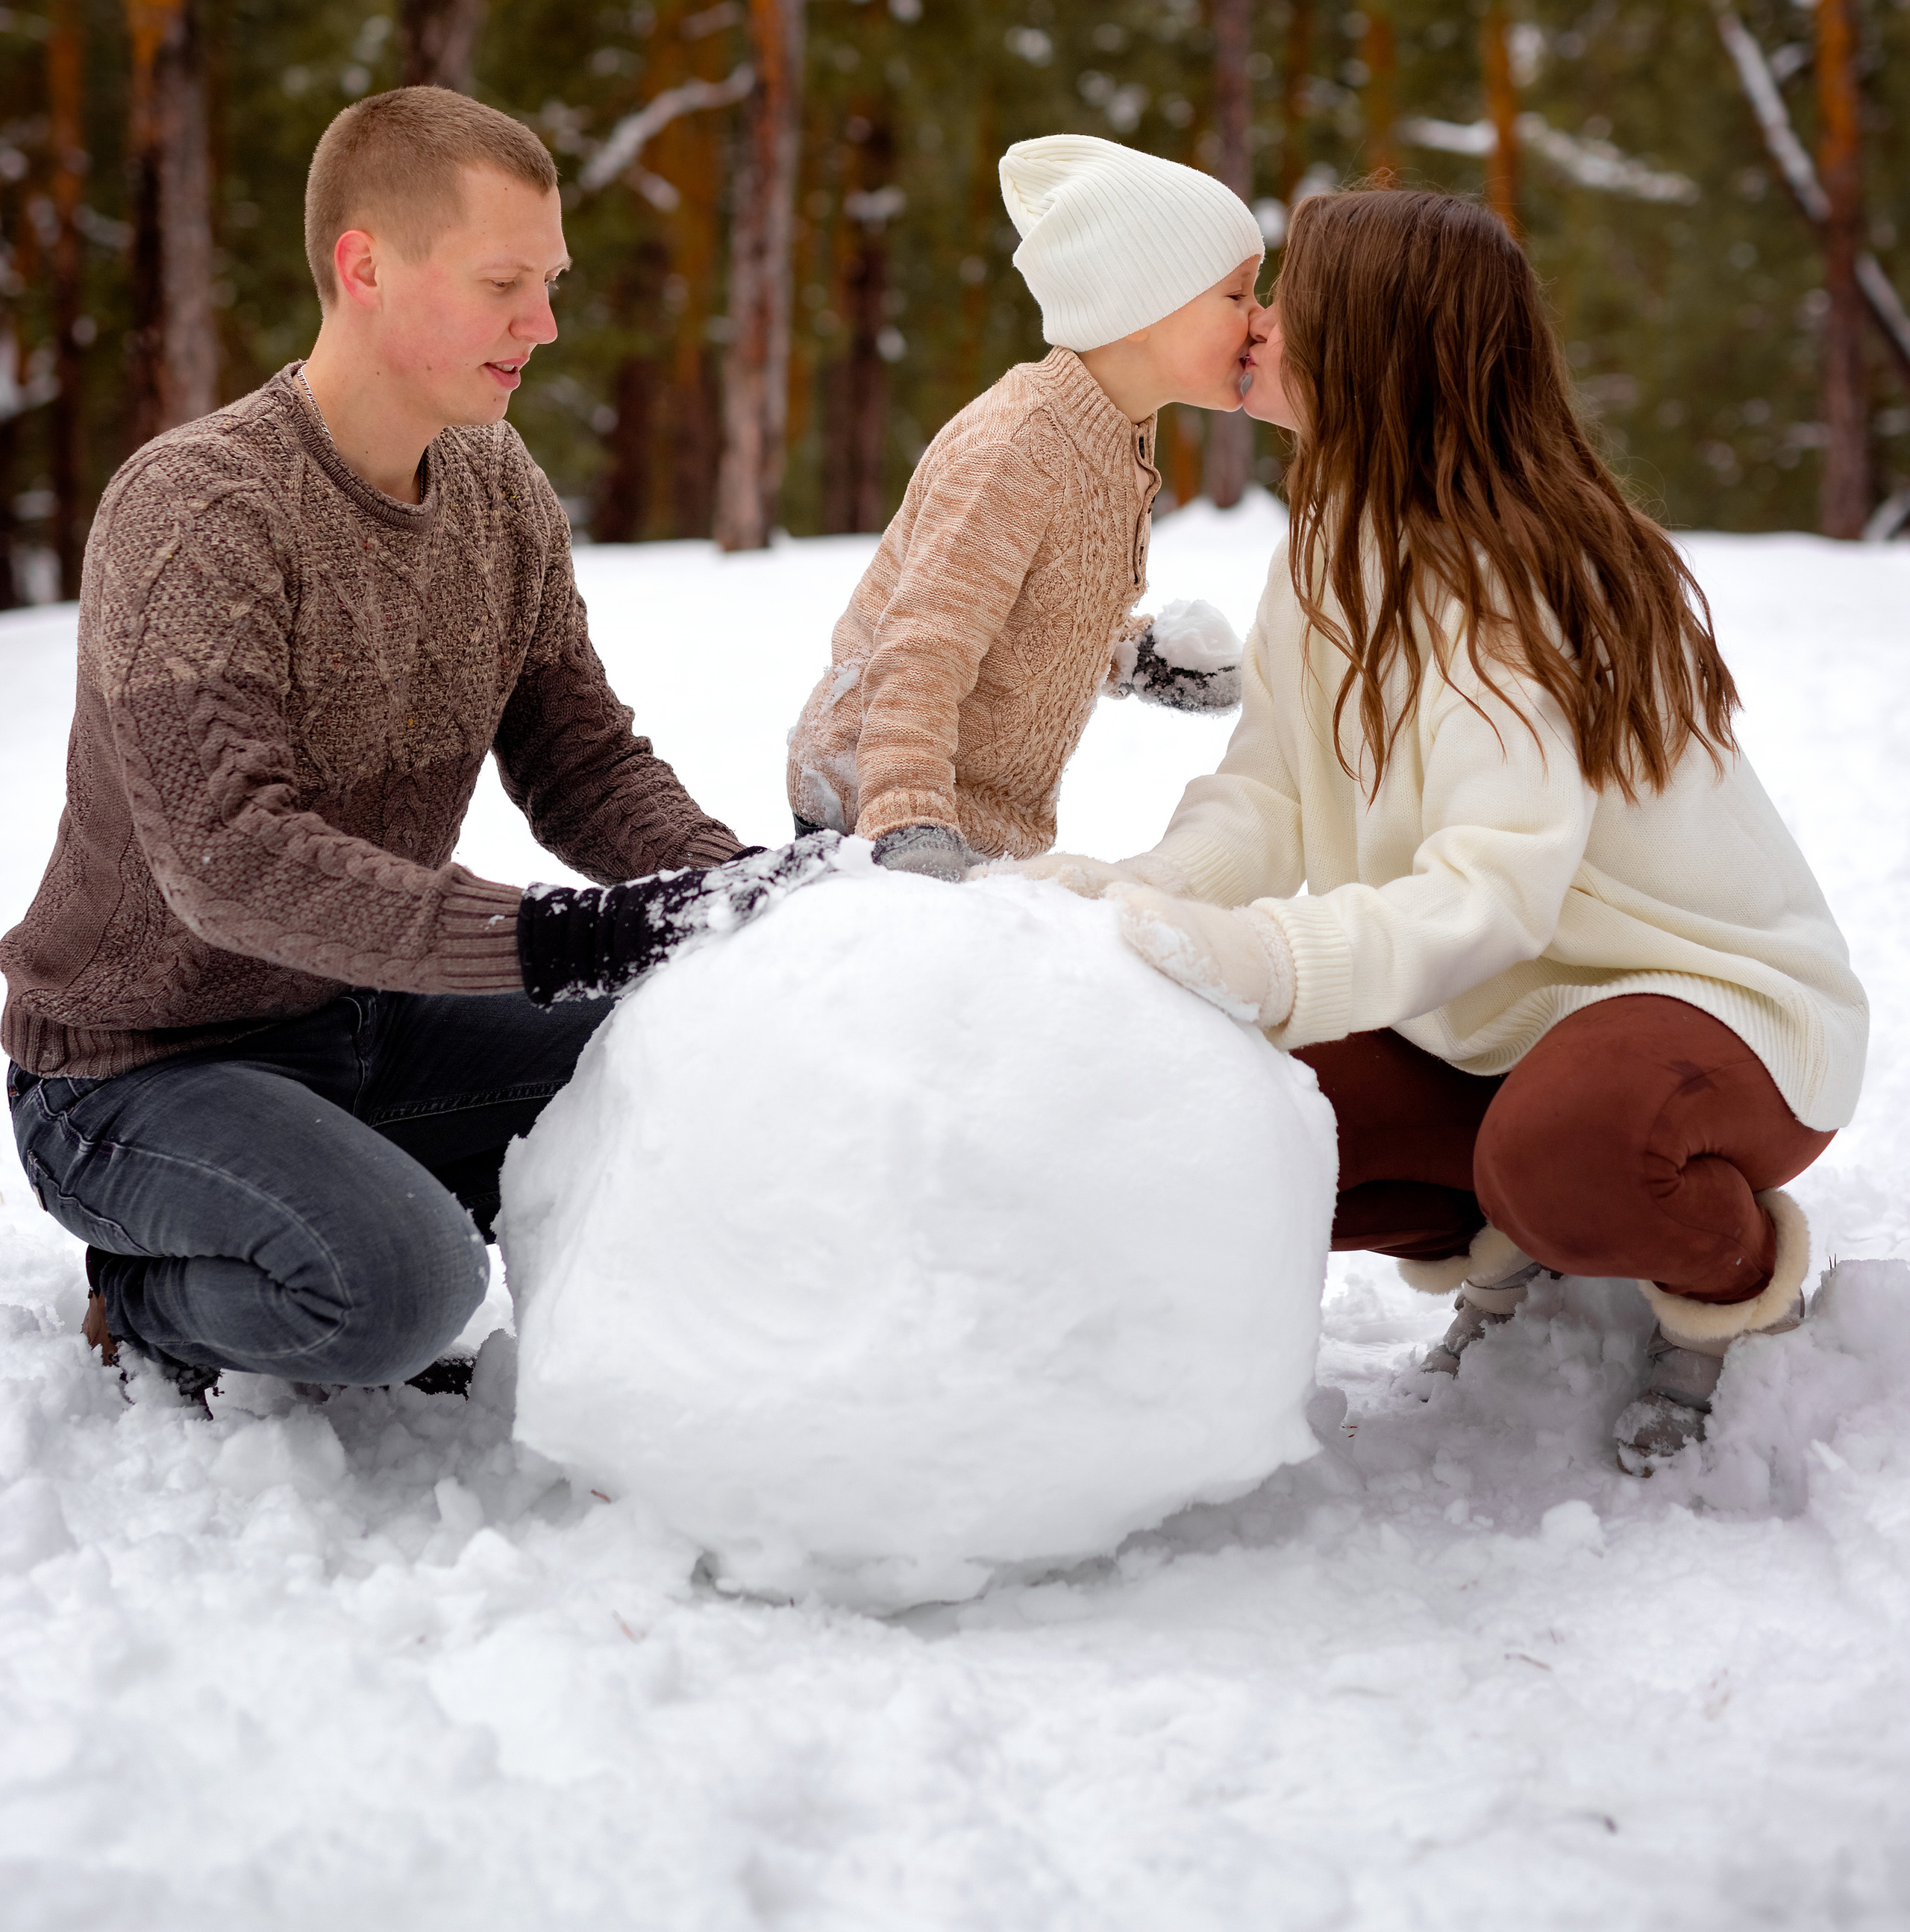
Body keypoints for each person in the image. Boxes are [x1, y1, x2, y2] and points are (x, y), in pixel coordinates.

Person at [1021, 185, 1867, 1473]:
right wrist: (1147, 893)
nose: (1255, 325)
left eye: (1290, 305)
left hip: (1709, 1007)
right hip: (1495, 1015)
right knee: (1232, 1111)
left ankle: (1730, 1290)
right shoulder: (1331, 542)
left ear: (1377, 347)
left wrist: (1270, 959)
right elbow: (1272, 792)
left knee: (1573, 1149)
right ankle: (1523, 1234)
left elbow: (1495, 889)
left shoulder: (1514, 578)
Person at [3, 87, 826, 1408]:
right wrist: (558, 937)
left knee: (705, 1061)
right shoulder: (198, 508)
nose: (542, 324)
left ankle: (361, 1193)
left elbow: (583, 762)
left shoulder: (497, 487)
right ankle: (148, 1294)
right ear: (365, 266)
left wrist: (737, 895)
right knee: (398, 1289)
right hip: (139, 1070)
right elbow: (231, 862)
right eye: (504, 283)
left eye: (550, 284)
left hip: (360, 1017)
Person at [786, 133, 1265, 878]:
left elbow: (1037, 609)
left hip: (975, 818)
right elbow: (923, 648)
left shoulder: (1111, 437)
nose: (1259, 319)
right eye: (1237, 294)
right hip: (880, 809)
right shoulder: (1017, 450)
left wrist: (1133, 656)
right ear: (1141, 306)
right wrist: (907, 816)